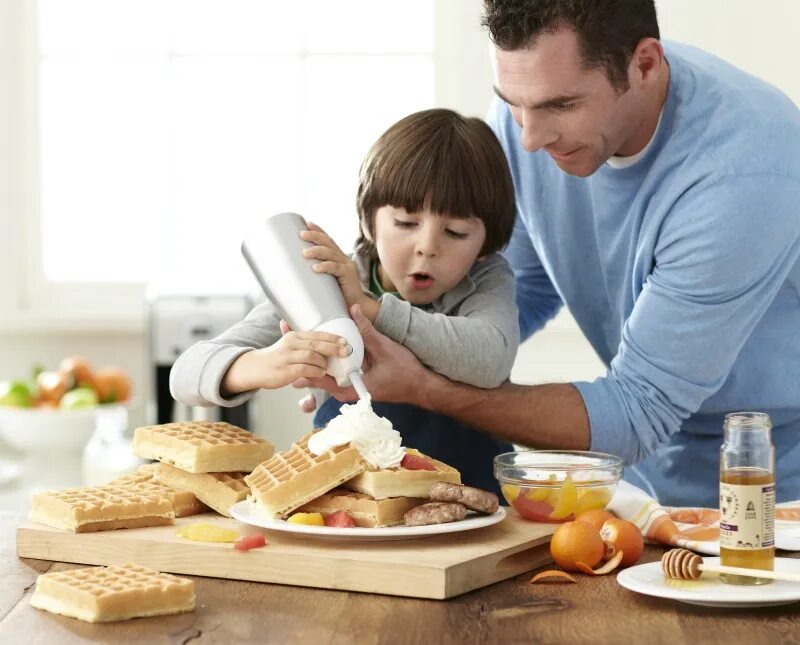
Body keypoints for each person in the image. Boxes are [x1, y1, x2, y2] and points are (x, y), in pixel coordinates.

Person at [298, 0, 800, 506]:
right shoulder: (531, 111)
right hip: (645, 486)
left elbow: (636, 412)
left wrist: (424, 388)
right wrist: (370, 343)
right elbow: (521, 288)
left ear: (644, 65)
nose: (530, 140)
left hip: (778, 489)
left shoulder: (742, 173)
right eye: (513, 103)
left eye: (561, 106)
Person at [170, 108, 520, 494]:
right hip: (350, 505)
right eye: (405, 223)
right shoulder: (320, 283)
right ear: (370, 222)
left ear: (486, 245)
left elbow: (490, 358)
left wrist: (373, 309)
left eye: (454, 232)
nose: (427, 248)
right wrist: (262, 364)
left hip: (474, 502)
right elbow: (185, 373)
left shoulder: (485, 280)